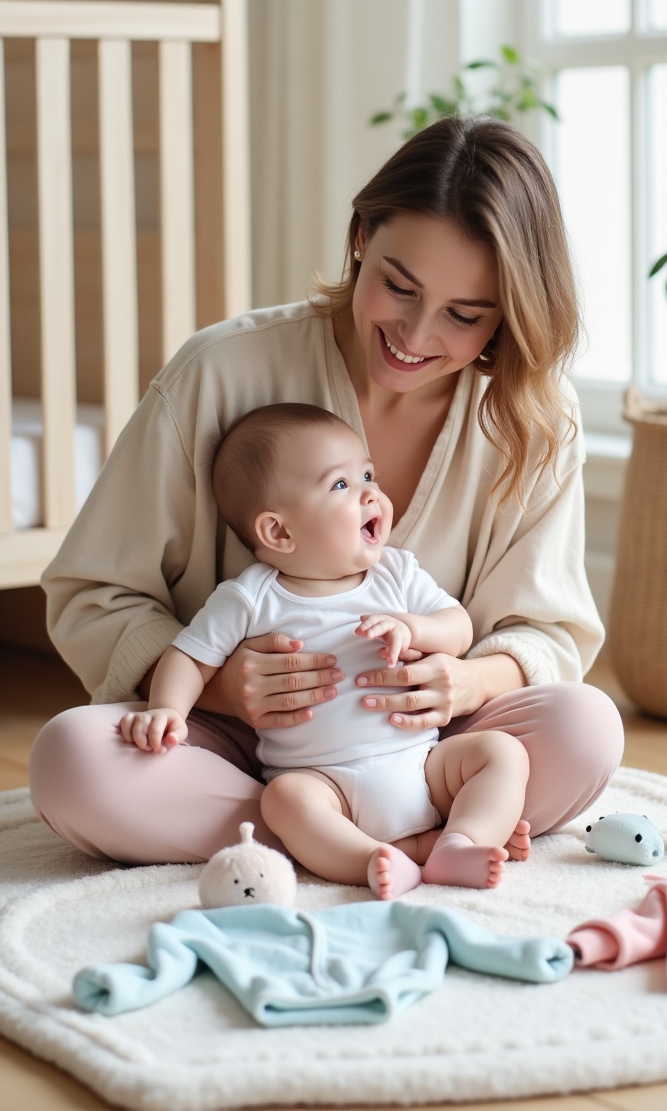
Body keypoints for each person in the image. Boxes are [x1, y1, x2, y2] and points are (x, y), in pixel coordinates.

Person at [30, 116, 624, 866]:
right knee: (70, 760)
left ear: (509, 314)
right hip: (230, 745)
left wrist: (463, 681)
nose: (414, 334)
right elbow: (94, 595)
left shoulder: (536, 419)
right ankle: (372, 835)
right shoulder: (219, 372)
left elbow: (545, 632)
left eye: (464, 316)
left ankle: (322, 841)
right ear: (361, 238)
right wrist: (221, 689)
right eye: (397, 286)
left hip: (426, 749)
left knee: (587, 728)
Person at [120, 402, 529, 898]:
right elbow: (188, 656)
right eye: (342, 485)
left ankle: (460, 843)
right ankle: (372, 860)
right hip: (324, 784)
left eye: (368, 475)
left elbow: (458, 627)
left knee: (501, 753)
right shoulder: (251, 597)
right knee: (284, 800)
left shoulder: (395, 574)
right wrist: (167, 709)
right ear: (279, 531)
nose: (371, 493)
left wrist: (415, 628)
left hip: (422, 765)